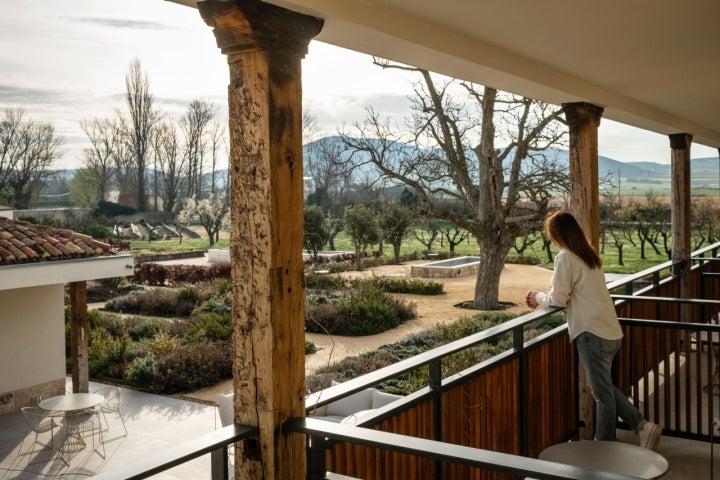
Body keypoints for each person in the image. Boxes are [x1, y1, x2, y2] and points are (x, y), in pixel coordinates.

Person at [525, 210, 662, 450]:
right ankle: (640, 427)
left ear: (557, 235)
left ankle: (608, 444)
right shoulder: (589, 256)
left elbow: (558, 298)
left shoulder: (565, 258)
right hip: (611, 332)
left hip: (592, 335)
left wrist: (535, 296)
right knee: (604, 387)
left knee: (601, 393)